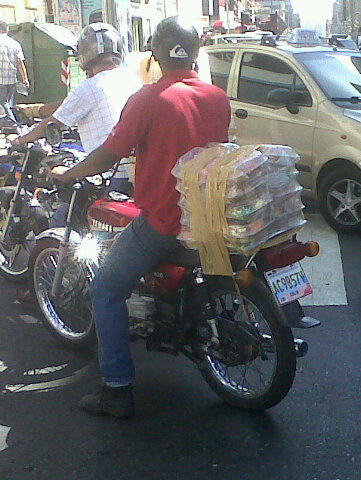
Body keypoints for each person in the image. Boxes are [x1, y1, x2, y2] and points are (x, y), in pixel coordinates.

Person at [49, 16, 231, 418]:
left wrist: (68, 173)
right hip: (209, 218)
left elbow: (110, 153)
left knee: (106, 289)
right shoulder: (217, 97)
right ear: (196, 53)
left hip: (166, 222)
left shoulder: (149, 99)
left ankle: (116, 390)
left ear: (155, 52)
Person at [12, 23, 142, 202]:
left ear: (85, 54)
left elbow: (53, 123)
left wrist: (20, 140)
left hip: (108, 174)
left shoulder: (89, 87)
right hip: (138, 172)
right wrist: (35, 110)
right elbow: (67, 105)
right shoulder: (132, 79)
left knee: (62, 213)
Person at [0, 21, 29, 123]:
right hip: (12, 79)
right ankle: (8, 124)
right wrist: (25, 79)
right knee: (8, 102)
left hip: (1, 79)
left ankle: (13, 124)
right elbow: (20, 63)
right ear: (7, 30)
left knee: (4, 104)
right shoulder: (15, 44)